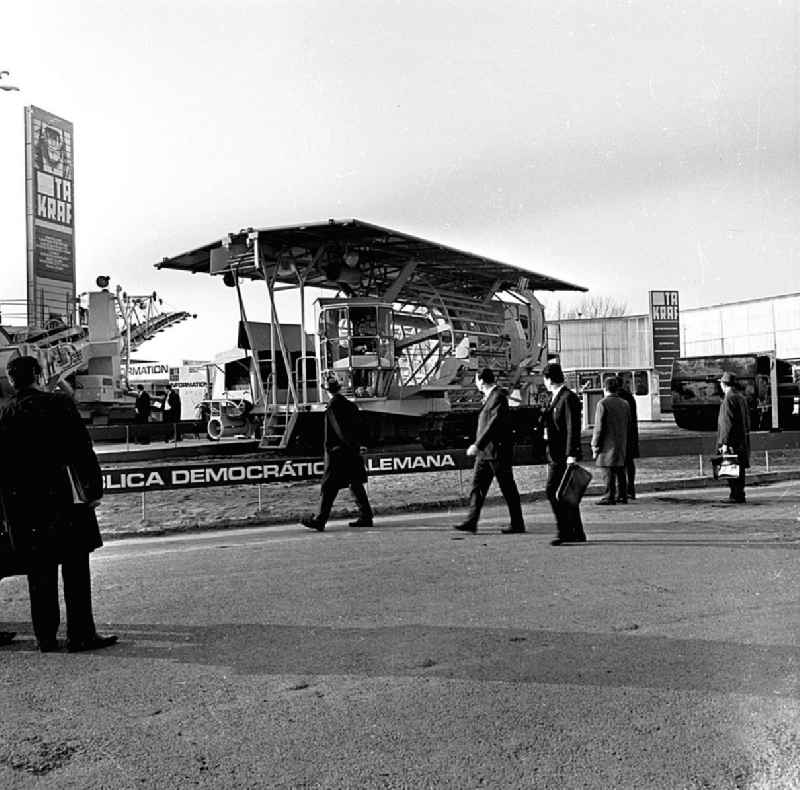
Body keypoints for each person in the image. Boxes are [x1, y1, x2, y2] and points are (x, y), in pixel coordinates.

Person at [0, 356, 117, 653]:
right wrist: (93, 489)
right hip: (64, 499)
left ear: (12, 380)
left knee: (39, 573)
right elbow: (82, 450)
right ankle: (80, 635)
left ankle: (46, 637)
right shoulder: (59, 404)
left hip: (25, 506)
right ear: (39, 374)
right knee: (75, 568)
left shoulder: (6, 413)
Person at [453, 368, 525, 535]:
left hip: (497, 452)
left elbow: (494, 423)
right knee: (477, 486)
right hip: (486, 453)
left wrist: (478, 444)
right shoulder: (491, 397)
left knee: (507, 488)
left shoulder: (498, 396)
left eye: (476, 380)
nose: (476, 384)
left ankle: (518, 523)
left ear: (481, 381)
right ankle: (471, 521)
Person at [301, 378, 374, 531]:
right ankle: (366, 516)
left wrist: (351, 445)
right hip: (352, 452)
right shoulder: (350, 405)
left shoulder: (333, 406)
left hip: (338, 453)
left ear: (325, 390)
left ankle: (320, 520)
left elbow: (340, 430)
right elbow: (362, 426)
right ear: (339, 388)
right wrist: (360, 445)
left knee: (328, 486)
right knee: (355, 484)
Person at [541, 362, 586, 545]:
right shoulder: (555, 398)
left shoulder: (567, 398)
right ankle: (576, 531)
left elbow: (572, 428)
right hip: (555, 453)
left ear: (548, 379)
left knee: (553, 491)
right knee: (565, 494)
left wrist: (571, 454)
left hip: (562, 455)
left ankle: (565, 530)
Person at [591, 376, 631, 505]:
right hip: (621, 442)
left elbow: (599, 427)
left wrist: (594, 444)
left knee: (607, 471)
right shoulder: (625, 404)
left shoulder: (602, 404)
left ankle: (609, 496)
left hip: (607, 444)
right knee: (620, 470)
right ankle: (622, 495)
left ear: (605, 388)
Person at [717, 371, 751, 503]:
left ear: (723, 384)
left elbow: (727, 423)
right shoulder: (741, 397)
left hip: (732, 441)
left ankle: (735, 495)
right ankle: (740, 494)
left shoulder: (728, 399)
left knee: (730, 467)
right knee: (740, 468)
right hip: (742, 440)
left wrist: (724, 443)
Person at [616, 372, 640, 499]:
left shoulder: (618, 398)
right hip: (630, 434)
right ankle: (631, 488)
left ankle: (622, 491)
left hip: (620, 435)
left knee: (619, 464)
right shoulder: (630, 397)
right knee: (629, 462)